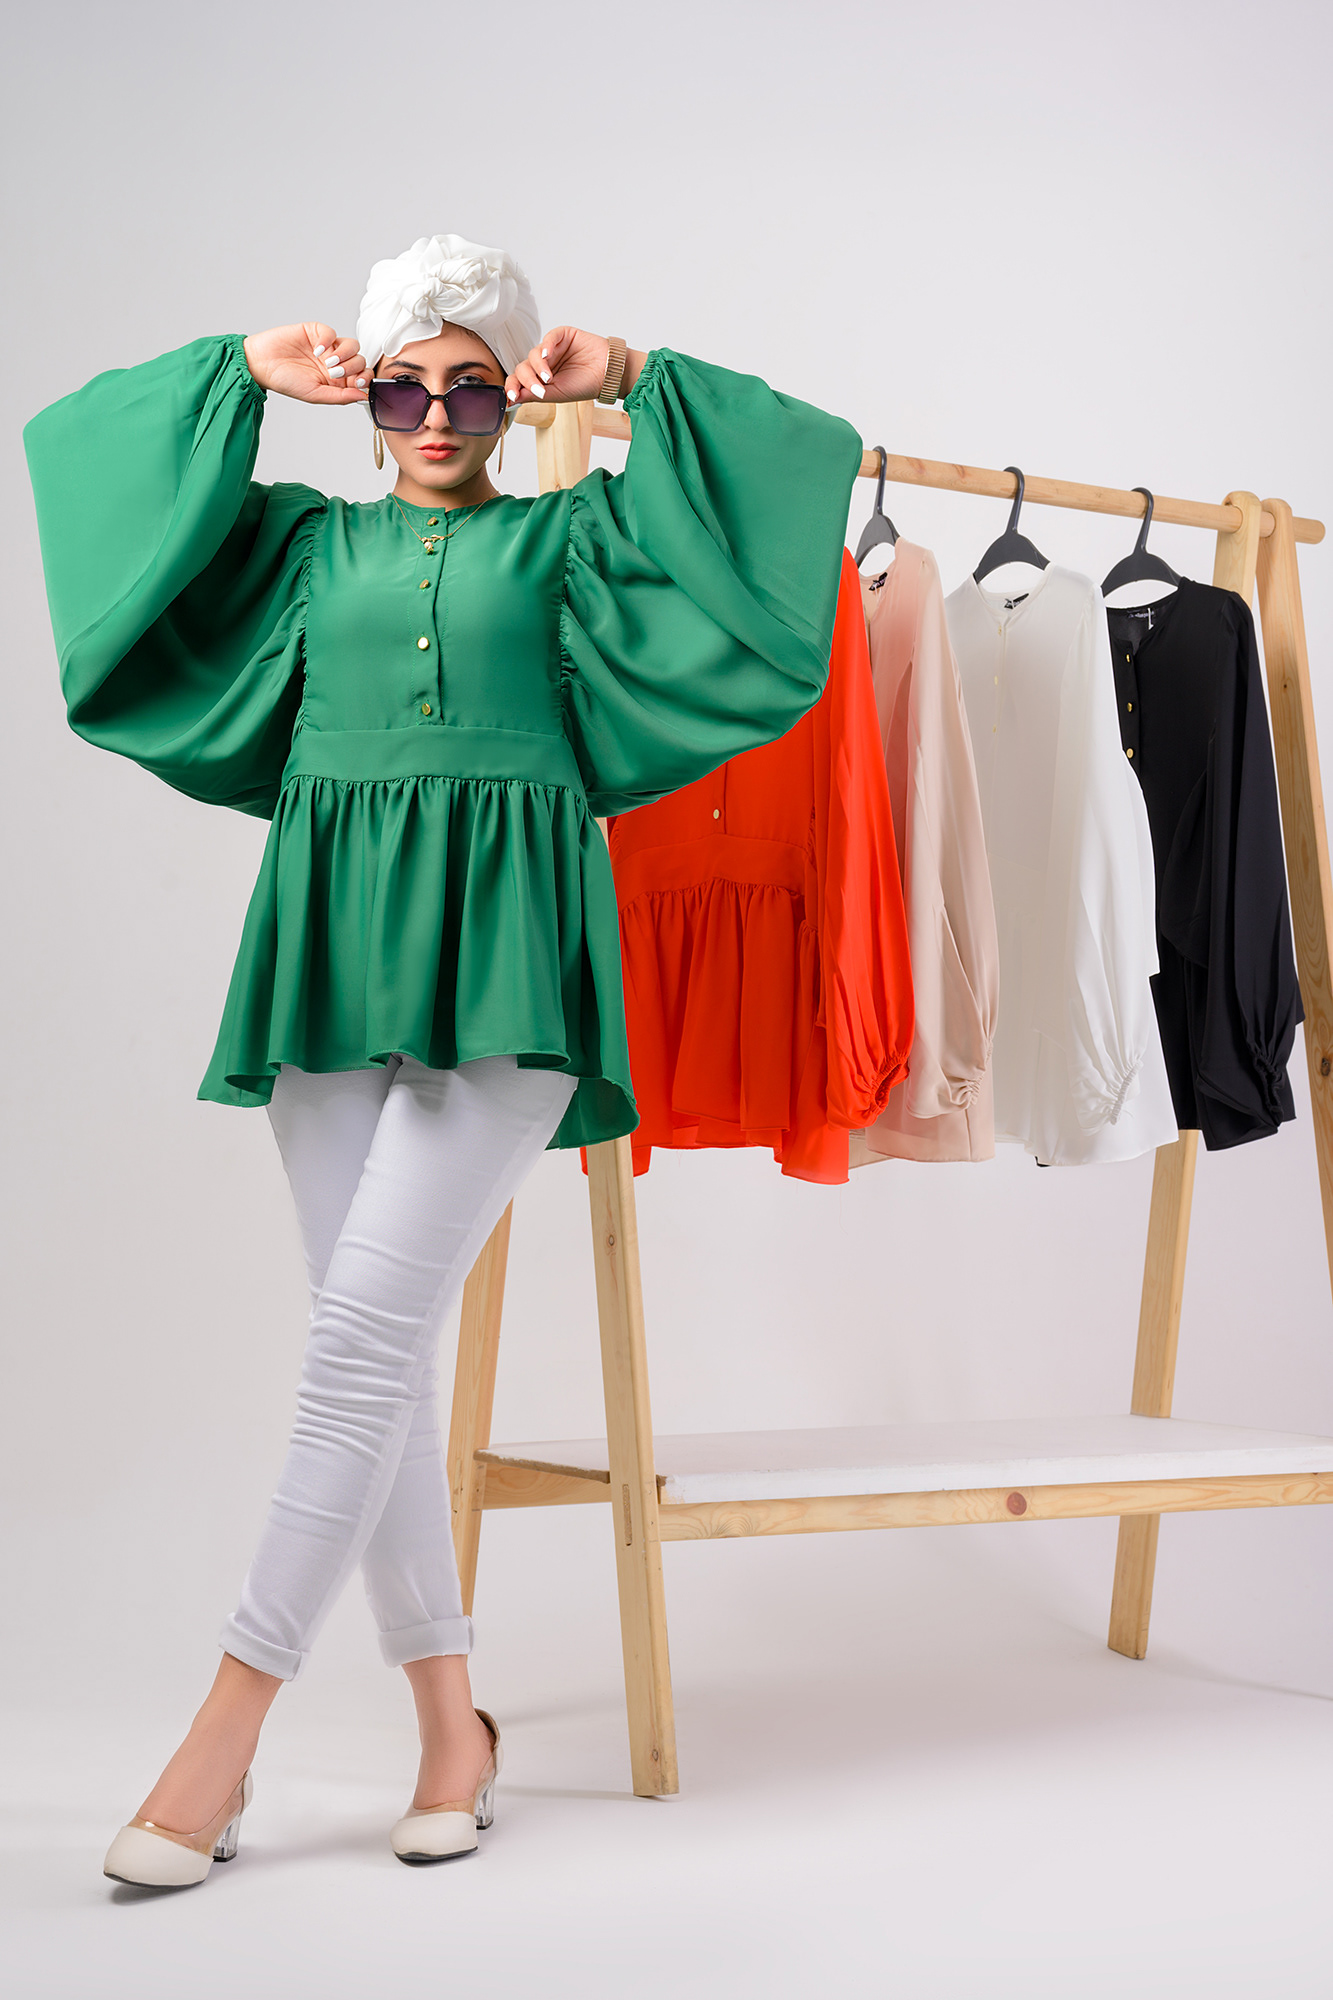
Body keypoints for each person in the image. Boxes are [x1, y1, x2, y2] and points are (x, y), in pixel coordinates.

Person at [24, 232, 864, 1884]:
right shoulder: (303, 548)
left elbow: (792, 471)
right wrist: (236, 371)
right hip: (329, 954)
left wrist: (628, 380)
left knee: (354, 1346)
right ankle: (450, 1730)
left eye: (469, 389)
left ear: (509, 399)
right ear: (364, 401)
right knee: (379, 1354)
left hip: (515, 958)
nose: (430, 417)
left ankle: (225, 1730)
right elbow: (80, 458)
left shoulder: (575, 538)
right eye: (400, 388)